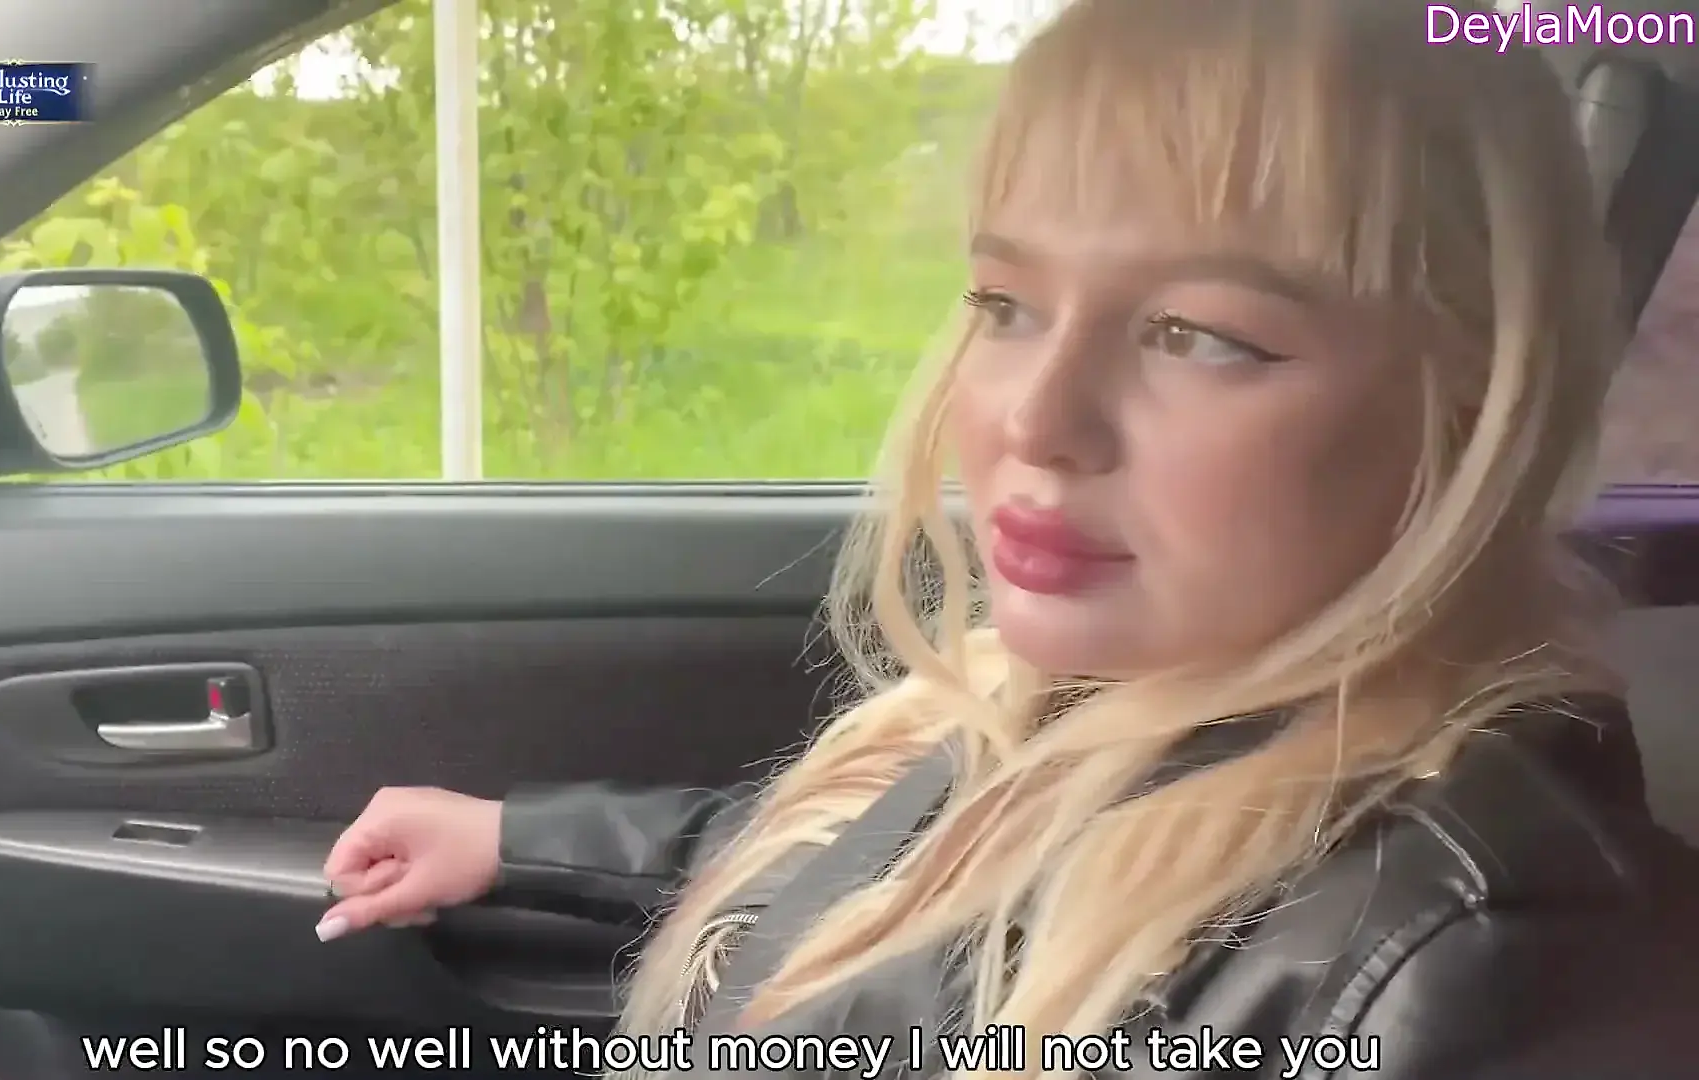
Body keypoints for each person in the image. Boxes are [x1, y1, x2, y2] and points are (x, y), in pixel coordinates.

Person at [320, 1, 1699, 1076]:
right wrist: (522, 838)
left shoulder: (1478, 967)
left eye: (1201, 335)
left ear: (1468, 405)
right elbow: (885, 863)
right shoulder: (1122, 695)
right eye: (1005, 306)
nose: (1038, 419)